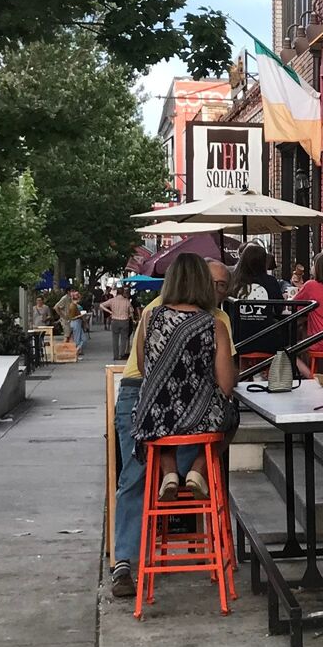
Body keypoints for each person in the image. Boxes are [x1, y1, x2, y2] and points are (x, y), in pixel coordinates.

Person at [110, 253, 237, 599]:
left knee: (134, 478)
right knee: (227, 417)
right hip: (194, 414)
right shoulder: (216, 322)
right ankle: (193, 471)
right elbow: (225, 385)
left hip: (148, 409)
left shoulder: (150, 314)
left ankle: (125, 562)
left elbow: (146, 370)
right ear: (202, 283)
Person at [101, 285, 134, 361]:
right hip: (124, 321)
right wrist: (131, 316)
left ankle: (115, 356)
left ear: (116, 292)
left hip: (115, 321)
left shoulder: (112, 300)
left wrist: (109, 312)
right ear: (123, 293)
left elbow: (101, 305)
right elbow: (131, 311)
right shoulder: (126, 301)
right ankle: (122, 354)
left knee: (115, 339)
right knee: (124, 339)